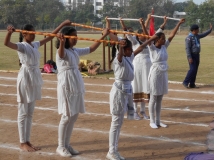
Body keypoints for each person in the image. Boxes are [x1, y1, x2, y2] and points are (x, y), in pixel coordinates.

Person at [3, 20, 70, 152]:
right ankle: (22, 142)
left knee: (30, 112)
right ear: (24, 34)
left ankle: (27, 140)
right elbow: (6, 43)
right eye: (31, 33)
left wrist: (62, 25)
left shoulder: (34, 45)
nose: (33, 35)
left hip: (34, 78)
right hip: (25, 78)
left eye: (34, 32)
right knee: (23, 111)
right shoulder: (22, 46)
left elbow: (50, 36)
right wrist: (9, 33)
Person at [105, 17, 156, 160]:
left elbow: (138, 48)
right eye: (128, 49)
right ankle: (111, 151)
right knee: (116, 122)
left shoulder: (130, 56)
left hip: (126, 91)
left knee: (119, 122)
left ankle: (113, 150)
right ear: (124, 49)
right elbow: (121, 54)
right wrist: (121, 47)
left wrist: (149, 39)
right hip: (119, 92)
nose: (130, 51)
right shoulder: (119, 58)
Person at [55, 26, 110, 157]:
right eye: (74, 36)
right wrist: (62, 42)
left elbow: (91, 49)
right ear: (66, 37)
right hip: (67, 85)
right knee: (66, 116)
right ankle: (60, 146)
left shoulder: (74, 51)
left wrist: (103, 36)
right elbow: (61, 54)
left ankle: (67, 144)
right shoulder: (61, 51)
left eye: (76, 36)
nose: (76, 39)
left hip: (76, 83)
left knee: (73, 116)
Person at [140, 18, 185, 129]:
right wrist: (142, 24)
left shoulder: (164, 47)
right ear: (157, 40)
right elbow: (147, 37)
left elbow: (172, 35)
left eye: (165, 38)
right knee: (153, 97)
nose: (165, 40)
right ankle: (151, 121)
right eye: (162, 38)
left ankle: (158, 121)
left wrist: (178, 23)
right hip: (155, 73)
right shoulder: (152, 48)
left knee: (160, 98)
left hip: (163, 73)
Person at [119, 17, 151, 120]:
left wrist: (144, 22)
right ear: (138, 36)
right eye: (141, 35)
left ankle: (143, 111)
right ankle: (134, 112)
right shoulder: (134, 42)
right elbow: (127, 34)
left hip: (147, 68)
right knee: (136, 88)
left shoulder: (148, 43)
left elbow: (146, 32)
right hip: (137, 67)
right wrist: (122, 22)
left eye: (144, 35)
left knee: (144, 89)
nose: (143, 37)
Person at [182, 23, 212, 89]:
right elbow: (187, 48)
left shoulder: (197, 36)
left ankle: (192, 83)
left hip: (197, 55)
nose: (199, 30)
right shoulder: (188, 38)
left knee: (195, 70)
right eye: (198, 29)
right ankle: (185, 82)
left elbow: (204, 34)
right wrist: (189, 57)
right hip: (192, 55)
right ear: (194, 30)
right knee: (192, 69)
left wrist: (210, 30)